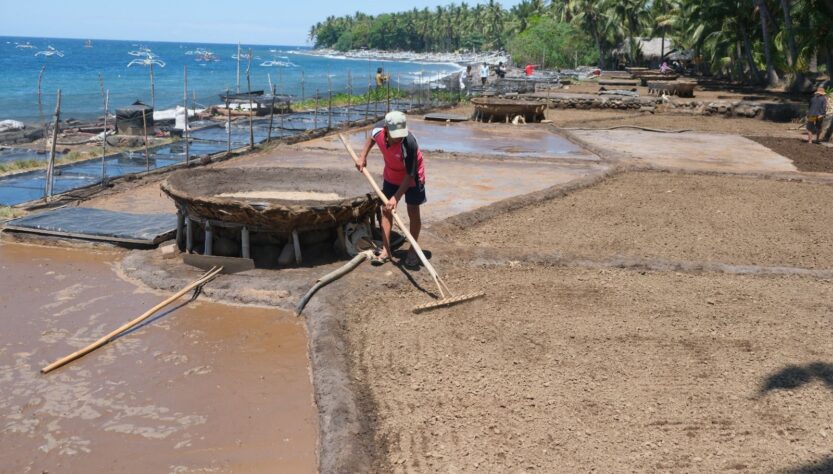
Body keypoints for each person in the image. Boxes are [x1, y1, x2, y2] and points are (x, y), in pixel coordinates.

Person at [357, 111, 426, 267]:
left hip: (413, 178)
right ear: (387, 130)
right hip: (391, 175)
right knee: (386, 211)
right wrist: (362, 156)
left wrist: (396, 197)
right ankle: (386, 250)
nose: (399, 137)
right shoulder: (378, 130)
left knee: (413, 210)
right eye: (396, 135)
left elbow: (409, 175)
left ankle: (413, 250)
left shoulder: (409, 142)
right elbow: (371, 138)